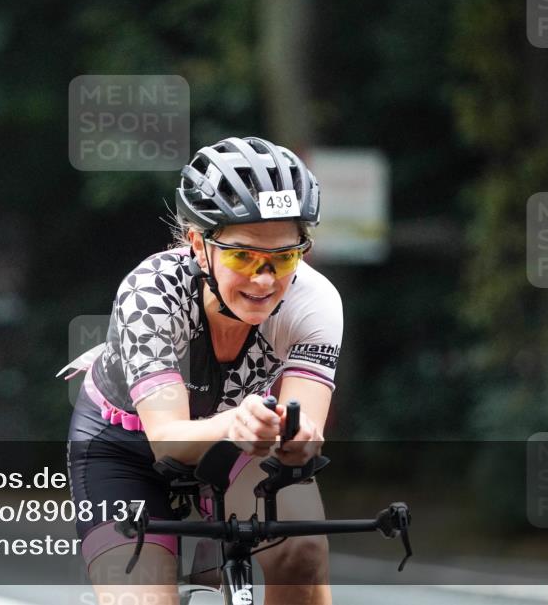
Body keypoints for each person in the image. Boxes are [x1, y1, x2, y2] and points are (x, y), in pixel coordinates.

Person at [61, 136, 342, 605]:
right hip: (126, 448)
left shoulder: (314, 301)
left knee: (305, 552)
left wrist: (297, 442)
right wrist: (236, 421)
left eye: (284, 257)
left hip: (243, 444)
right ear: (197, 243)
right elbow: (167, 438)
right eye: (243, 256)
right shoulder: (152, 295)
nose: (264, 279)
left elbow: (301, 441)